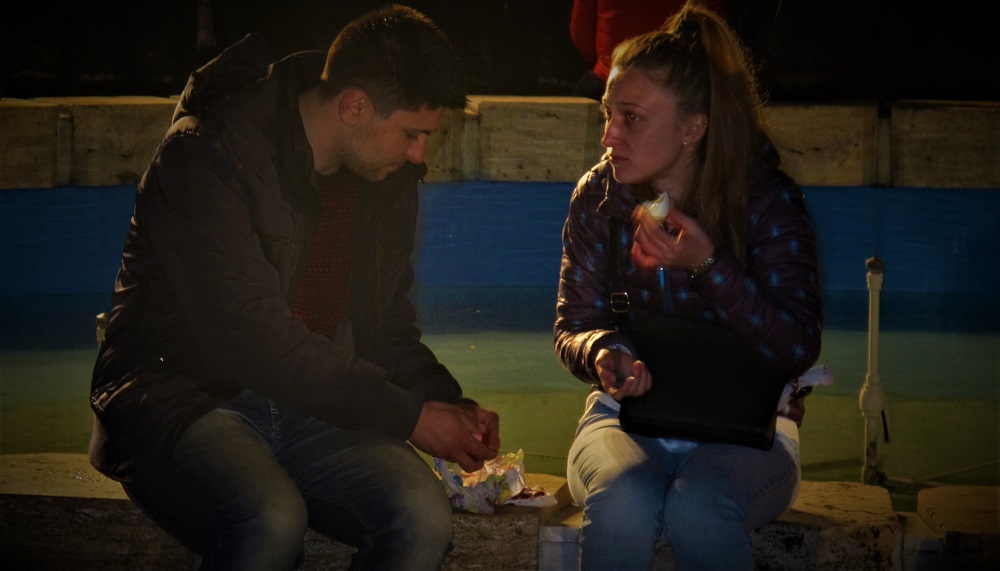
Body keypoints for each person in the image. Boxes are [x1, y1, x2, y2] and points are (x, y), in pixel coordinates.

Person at [88, 5, 501, 570]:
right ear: (355, 106)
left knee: (422, 515)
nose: (419, 155)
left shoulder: (384, 181)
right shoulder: (208, 154)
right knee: (269, 517)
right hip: (183, 398)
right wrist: (412, 418)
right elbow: (253, 339)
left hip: (308, 407)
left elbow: (385, 326)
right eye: (413, 134)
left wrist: (449, 404)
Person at [554, 1, 823, 569]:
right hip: (625, 417)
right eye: (608, 113)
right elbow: (575, 324)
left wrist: (709, 267)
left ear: (692, 128)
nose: (609, 136)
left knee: (699, 508)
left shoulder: (766, 201)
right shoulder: (599, 199)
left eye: (631, 118)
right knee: (623, 499)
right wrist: (605, 352)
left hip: (748, 427)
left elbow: (797, 347)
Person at [569, 0, 726, 100]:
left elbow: (581, 34)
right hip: (674, 85)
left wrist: (606, 63)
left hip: (609, 78)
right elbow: (711, 30)